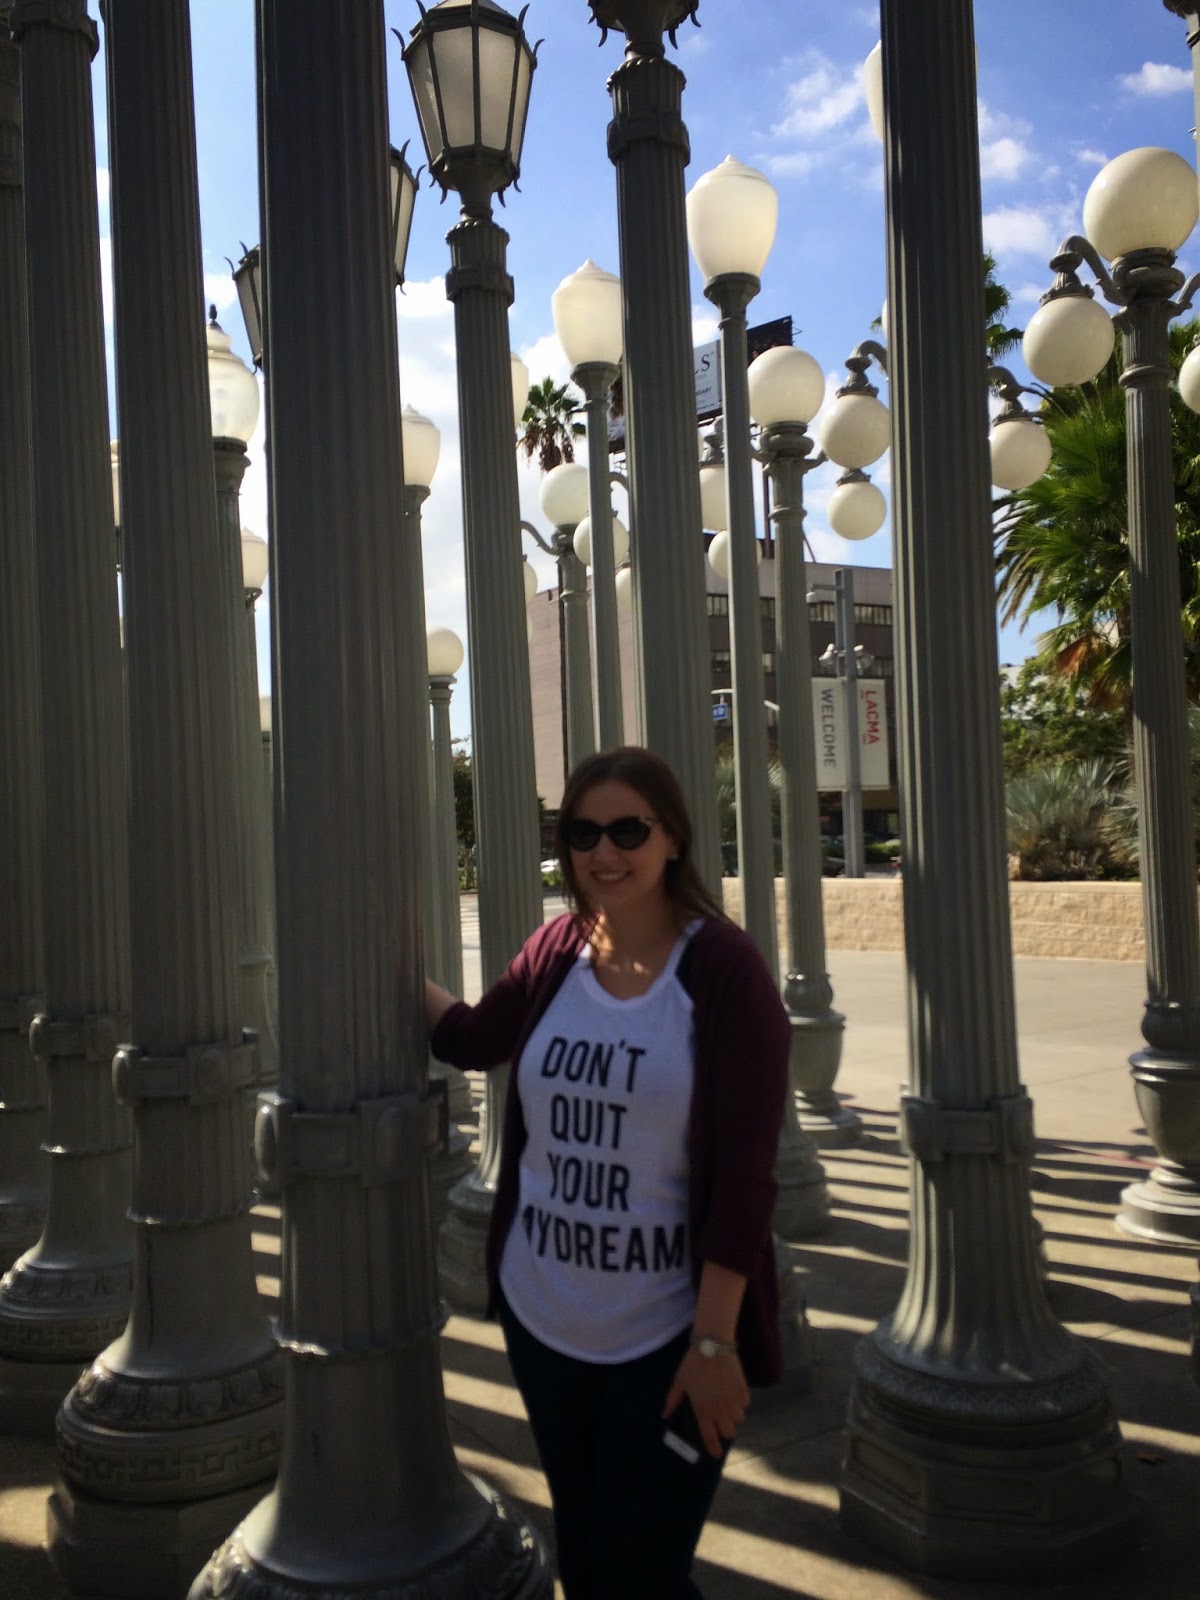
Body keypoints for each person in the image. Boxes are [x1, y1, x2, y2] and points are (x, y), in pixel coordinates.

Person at [425, 746, 790, 1600]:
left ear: (673, 838)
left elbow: (745, 1178)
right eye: (582, 833)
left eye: (629, 830)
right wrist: (390, 964)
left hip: (664, 1338)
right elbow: (474, 1039)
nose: (603, 851)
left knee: (640, 1573)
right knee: (588, 1562)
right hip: (544, 1319)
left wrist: (713, 1344)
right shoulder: (557, 950)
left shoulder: (722, 970)